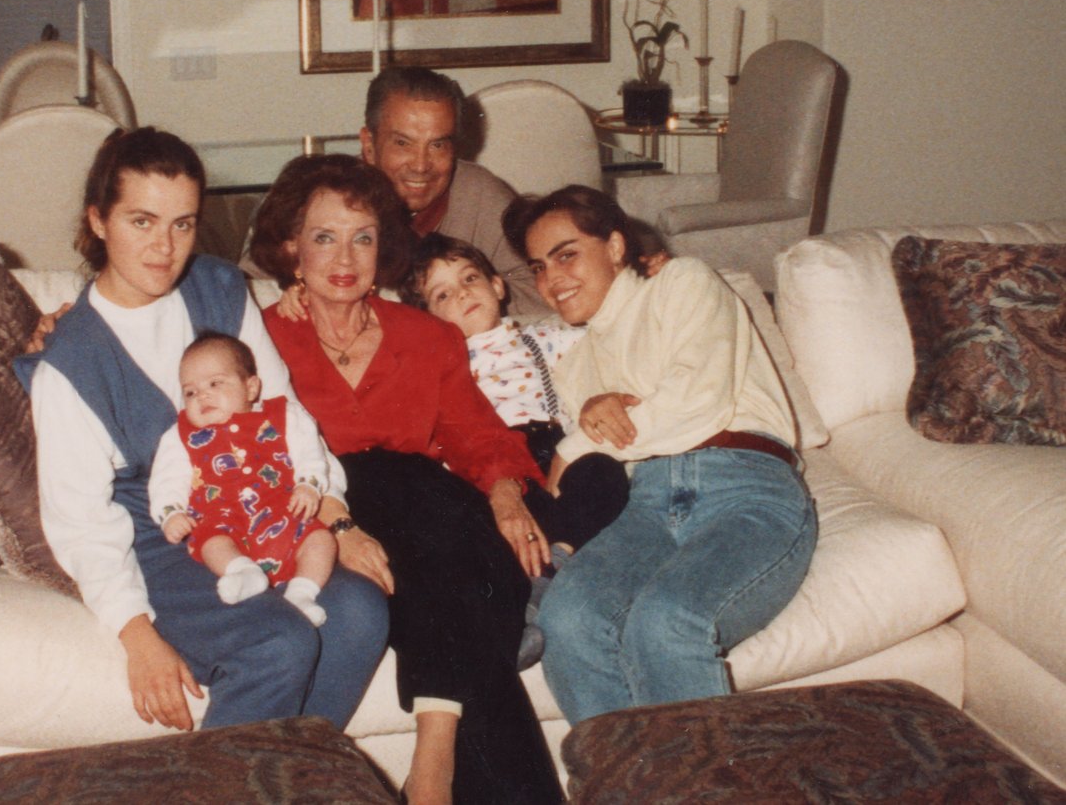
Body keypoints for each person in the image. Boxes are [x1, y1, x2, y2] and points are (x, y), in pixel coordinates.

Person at [15, 127, 387, 735]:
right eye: (142, 221)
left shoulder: (218, 287)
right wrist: (137, 636)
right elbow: (79, 523)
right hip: (163, 536)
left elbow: (284, 415)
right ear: (99, 220)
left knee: (360, 611)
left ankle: (295, 786)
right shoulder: (70, 363)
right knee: (280, 641)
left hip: (261, 504)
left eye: (182, 224)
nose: (164, 247)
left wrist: (330, 513)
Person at [250, 153, 564, 805]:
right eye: (323, 236)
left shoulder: (427, 337)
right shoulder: (258, 341)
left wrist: (507, 496)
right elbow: (255, 460)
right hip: (343, 509)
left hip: (438, 518)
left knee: (447, 532)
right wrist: (339, 527)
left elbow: (479, 435)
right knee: (431, 553)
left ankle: (434, 753)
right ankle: (441, 763)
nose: (345, 256)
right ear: (290, 248)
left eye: (363, 237)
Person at [502, 185, 818, 726]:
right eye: (538, 268)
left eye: (567, 254)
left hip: (745, 487)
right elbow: (607, 460)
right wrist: (601, 423)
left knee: (666, 619)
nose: (552, 280)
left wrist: (583, 439)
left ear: (617, 247)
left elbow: (697, 403)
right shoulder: (574, 367)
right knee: (570, 619)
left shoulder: (683, 282)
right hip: (643, 504)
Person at [400, 233, 633, 566]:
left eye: (469, 278)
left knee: (604, 472)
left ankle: (560, 555)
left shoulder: (543, 336)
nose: (463, 292)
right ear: (429, 321)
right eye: (443, 294)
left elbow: (610, 331)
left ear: (497, 286)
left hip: (556, 449)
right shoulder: (438, 367)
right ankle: (548, 565)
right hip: (501, 467)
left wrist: (640, 278)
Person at [148, 332, 338, 626]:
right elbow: (166, 479)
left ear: (251, 387)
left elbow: (310, 452)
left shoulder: (284, 415)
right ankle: (242, 573)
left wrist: (308, 484)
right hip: (222, 523)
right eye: (190, 392)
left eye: (215, 383)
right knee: (211, 542)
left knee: (322, 540)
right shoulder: (179, 436)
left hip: (284, 515)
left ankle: (302, 595)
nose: (202, 395)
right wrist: (170, 513)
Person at [359, 66, 547, 316]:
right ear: (369, 146)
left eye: (437, 145)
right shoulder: (337, 203)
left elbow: (542, 289)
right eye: (403, 143)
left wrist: (455, 308)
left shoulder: (479, 194)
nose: (420, 165)